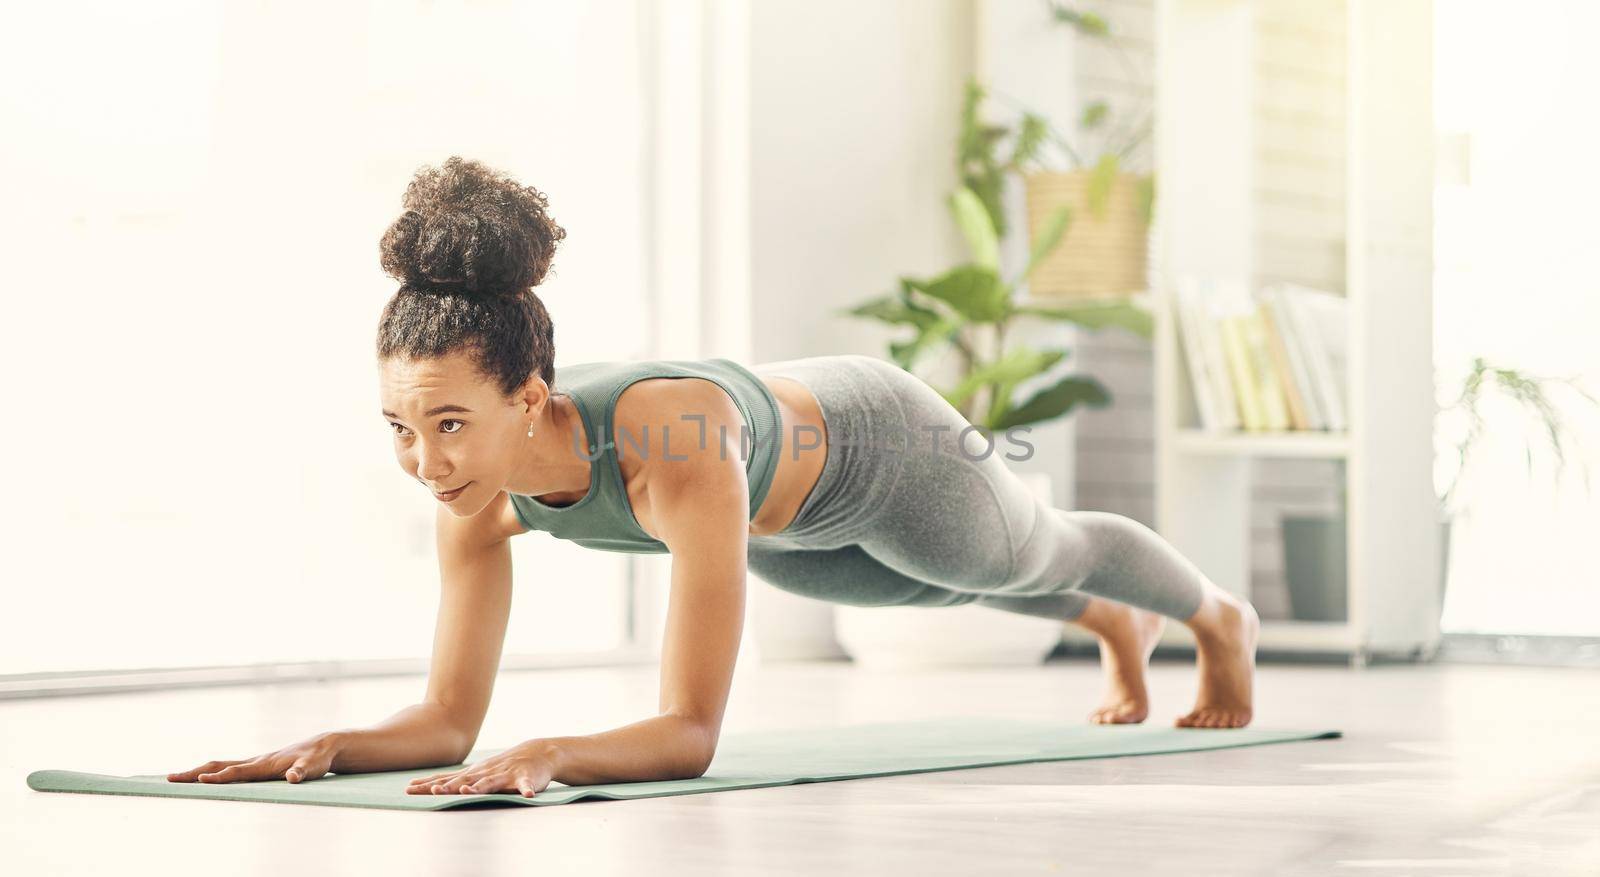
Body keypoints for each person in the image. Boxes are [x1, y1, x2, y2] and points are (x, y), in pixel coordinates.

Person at [167, 157, 1260, 799]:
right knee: (941, 588)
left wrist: (552, 753)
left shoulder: (672, 443)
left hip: (883, 444)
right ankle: (1113, 625)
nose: (425, 462)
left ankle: (1216, 619)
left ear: (532, 399)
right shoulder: (476, 500)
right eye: (401, 428)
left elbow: (689, 734)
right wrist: (333, 746)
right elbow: (449, 721)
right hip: (784, 518)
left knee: (1026, 552)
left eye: (449, 424)